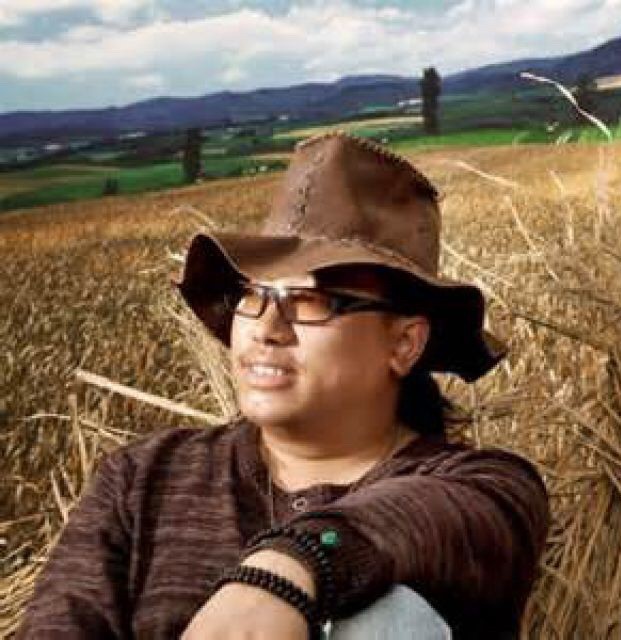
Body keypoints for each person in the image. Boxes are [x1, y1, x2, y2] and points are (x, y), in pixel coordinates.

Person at [17, 132, 549, 639]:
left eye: (310, 302)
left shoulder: (485, 491)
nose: (267, 329)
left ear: (405, 343)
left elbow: (429, 517)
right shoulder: (140, 479)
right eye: (254, 295)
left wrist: (289, 566)